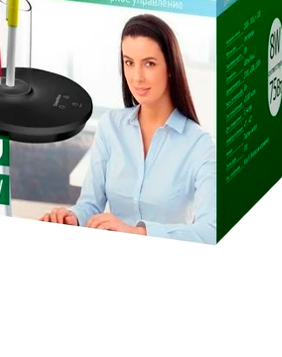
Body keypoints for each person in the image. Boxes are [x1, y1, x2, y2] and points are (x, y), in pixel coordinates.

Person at [39, 14, 216, 245]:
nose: (136, 77)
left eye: (149, 63)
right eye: (129, 62)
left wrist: (138, 233)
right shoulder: (110, 126)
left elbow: (210, 231)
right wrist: (71, 218)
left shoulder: (199, 144)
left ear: (170, 67)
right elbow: (90, 204)